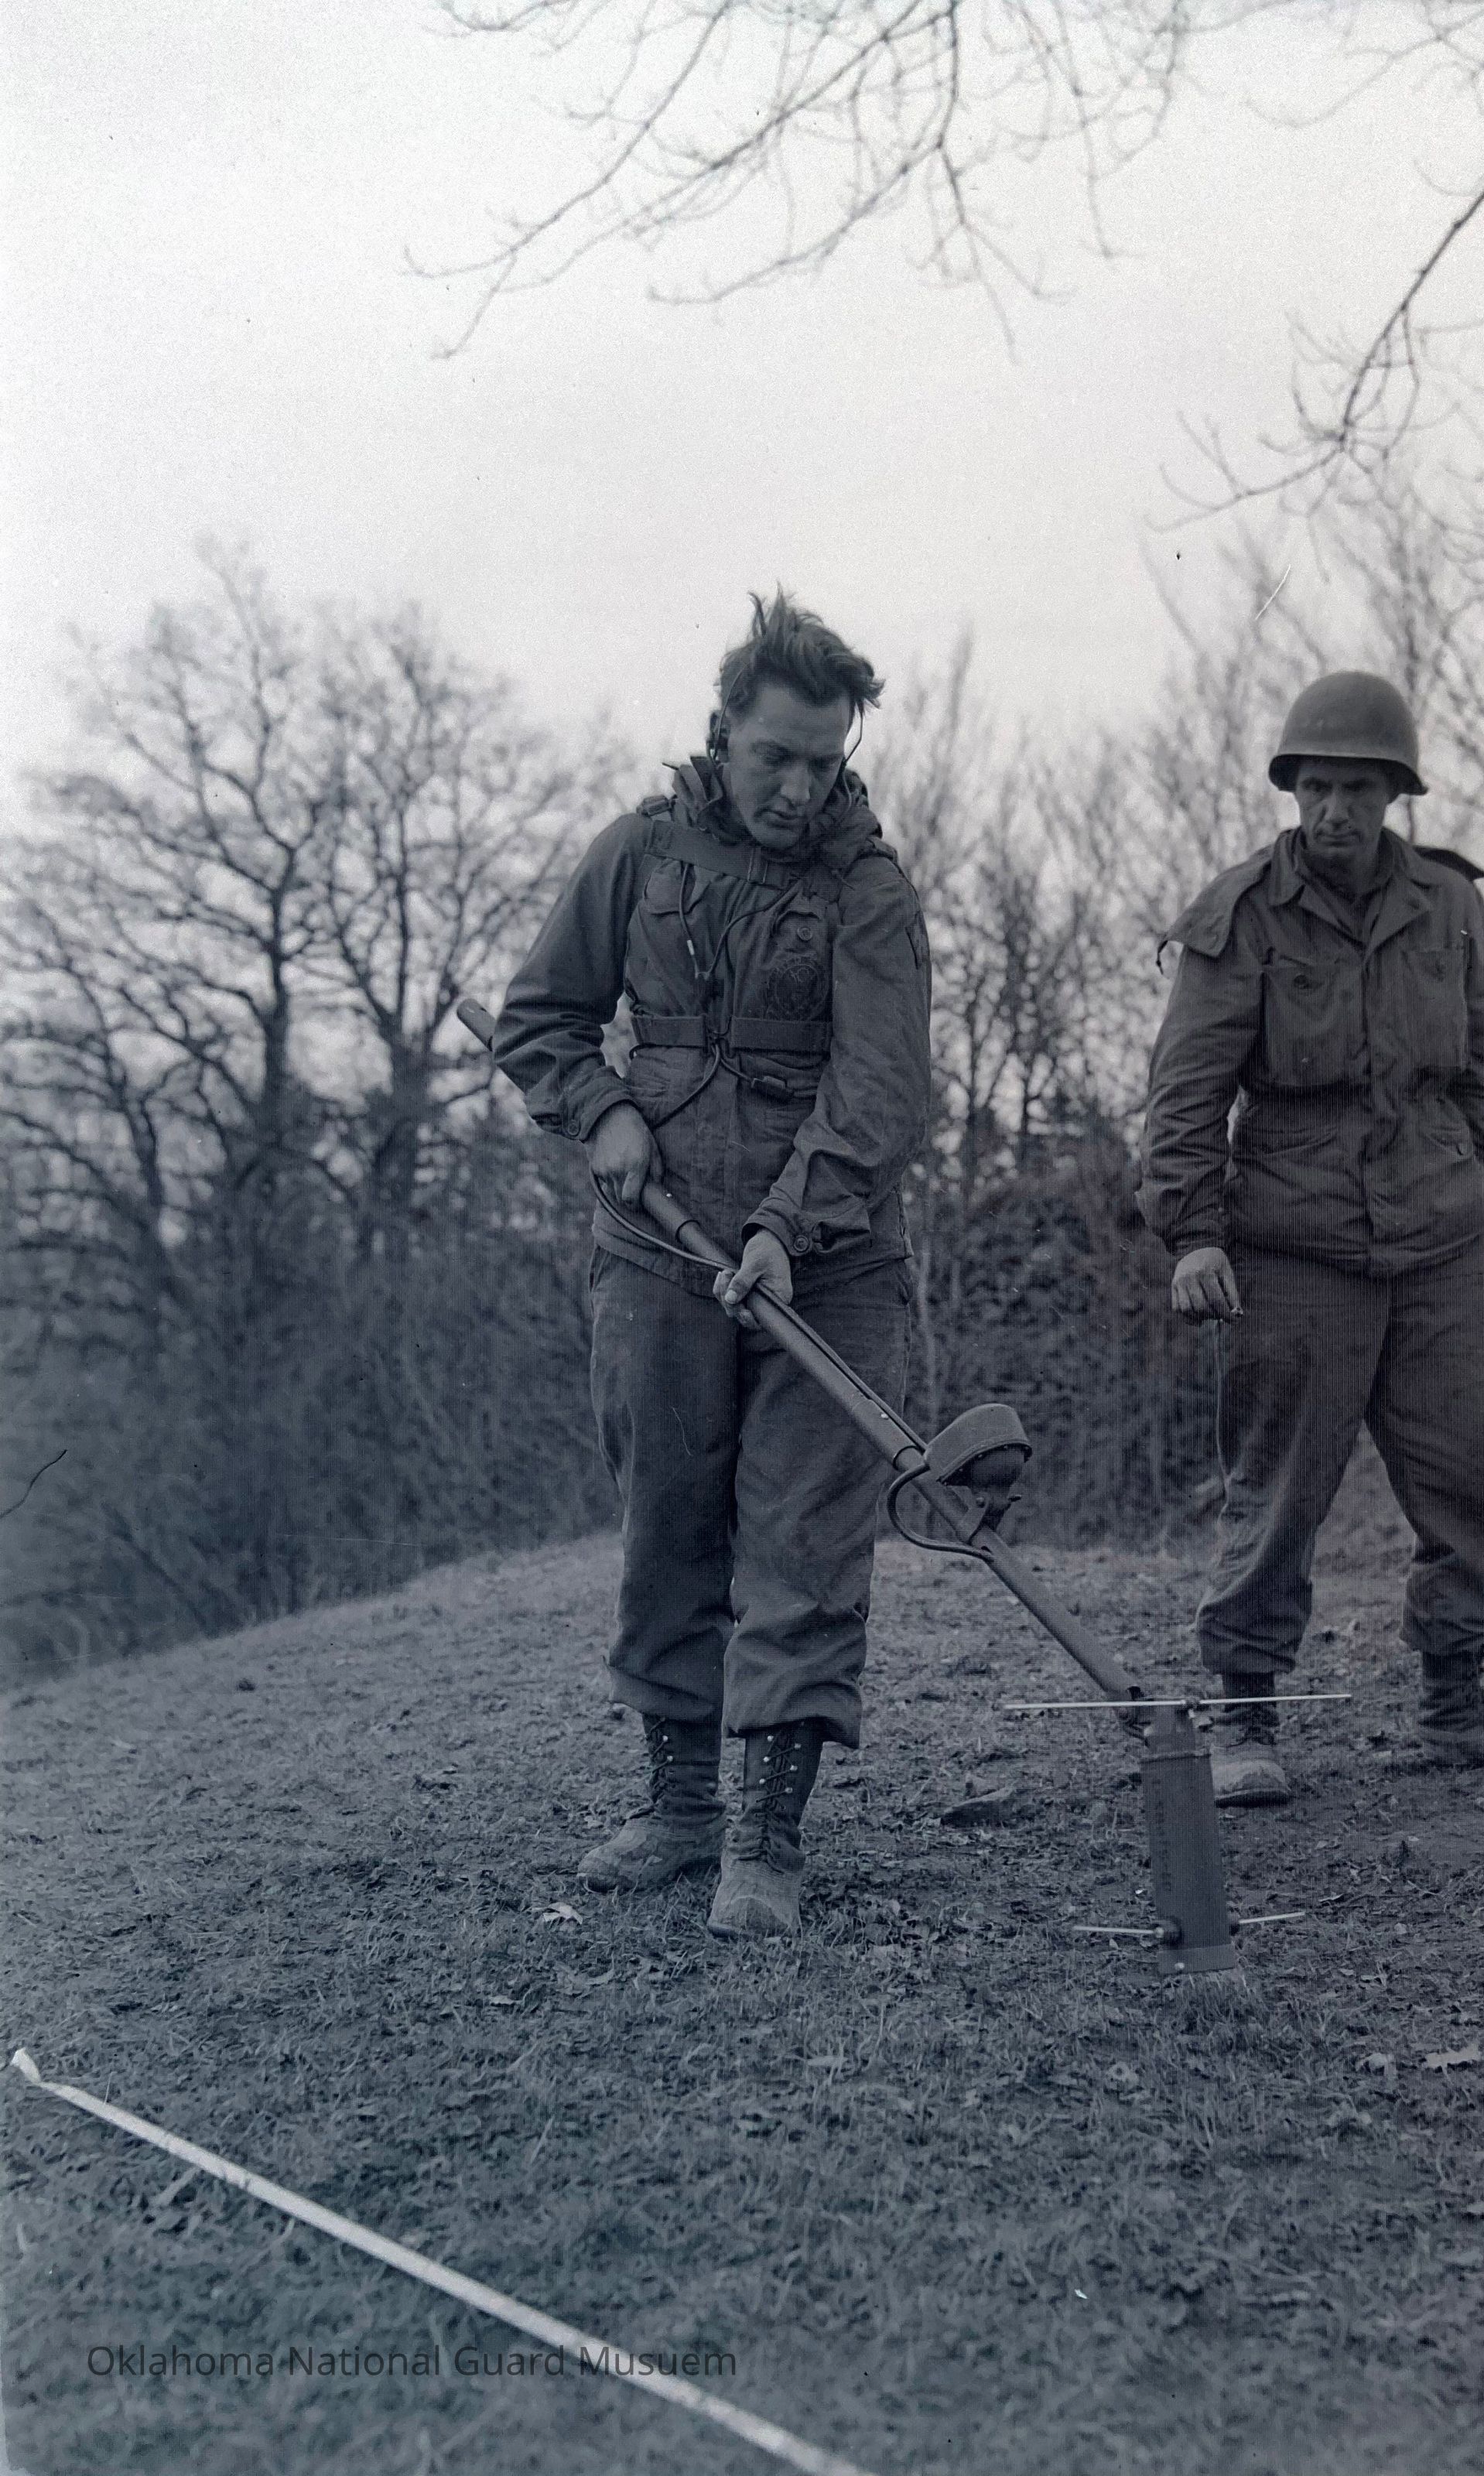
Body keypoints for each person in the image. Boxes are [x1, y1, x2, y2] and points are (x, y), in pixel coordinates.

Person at [494, 593, 931, 1934]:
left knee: (805, 1539)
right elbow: (541, 1019)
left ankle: (767, 1839)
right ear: (723, 731)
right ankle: (681, 1808)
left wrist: (786, 1229)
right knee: (668, 1523)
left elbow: (880, 1094)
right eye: (774, 757)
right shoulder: (637, 852)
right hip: (656, 1256)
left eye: (823, 761)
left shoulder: (870, 891)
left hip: (829, 1267)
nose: (798, 788)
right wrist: (604, 1110)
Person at [1137, 672, 1484, 1804]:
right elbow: (1185, 1092)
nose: (1337, 810)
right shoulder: (1240, 916)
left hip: (1440, 1241)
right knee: (1279, 1490)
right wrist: (1193, 1235)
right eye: (1318, 788)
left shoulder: (1449, 904)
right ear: (1293, 789)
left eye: (1361, 790)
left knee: (1470, 1473)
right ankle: (1246, 1711)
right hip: (1296, 1245)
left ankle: (1457, 1701)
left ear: (1395, 795)